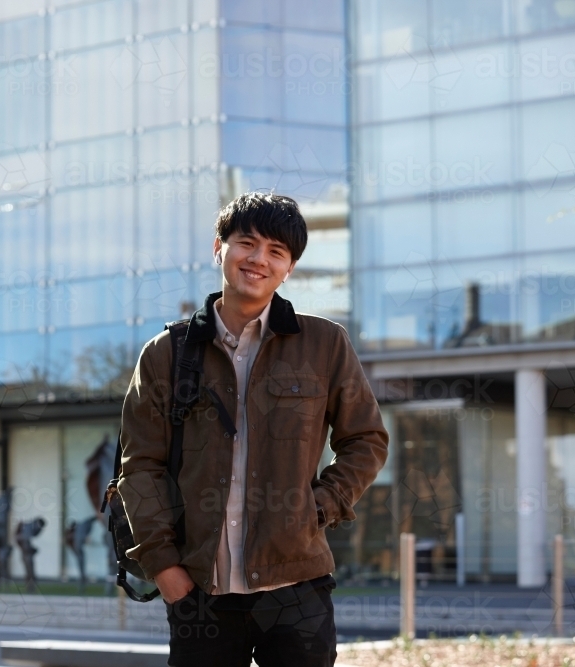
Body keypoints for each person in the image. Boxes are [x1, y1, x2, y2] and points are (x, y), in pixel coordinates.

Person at [118, 192, 389, 667]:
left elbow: (366, 440)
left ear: (290, 268)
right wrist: (164, 568)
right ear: (218, 247)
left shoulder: (324, 343)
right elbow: (139, 466)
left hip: (297, 587)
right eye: (247, 243)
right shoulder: (166, 353)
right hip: (200, 589)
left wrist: (319, 506)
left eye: (276, 252)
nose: (259, 259)